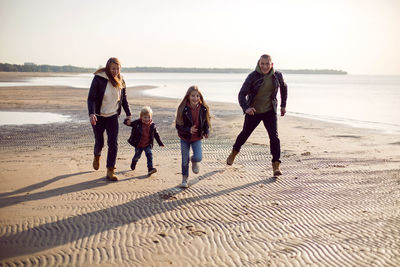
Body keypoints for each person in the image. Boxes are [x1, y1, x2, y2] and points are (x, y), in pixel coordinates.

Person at [226, 54, 287, 176]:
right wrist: (246, 108)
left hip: (269, 111)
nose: (264, 66)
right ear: (259, 63)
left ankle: (276, 166)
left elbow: (284, 88)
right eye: (262, 64)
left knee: (274, 137)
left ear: (272, 64)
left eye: (267, 64)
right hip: (254, 111)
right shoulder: (252, 76)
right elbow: (241, 94)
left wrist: (283, 106)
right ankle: (233, 153)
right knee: (245, 134)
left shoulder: (277, 76)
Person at [87, 57, 132, 181]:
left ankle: (110, 170)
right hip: (99, 116)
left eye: (117, 69)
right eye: (113, 68)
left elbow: (124, 100)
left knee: (113, 143)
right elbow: (91, 98)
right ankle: (97, 155)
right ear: (108, 68)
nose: (115, 71)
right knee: (99, 141)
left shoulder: (121, 79)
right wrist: (92, 114)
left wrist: (128, 114)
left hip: (112, 116)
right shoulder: (99, 78)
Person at [175, 85, 211, 188]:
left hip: (197, 138)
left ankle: (194, 160)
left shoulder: (203, 109)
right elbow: (178, 126)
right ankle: (184, 179)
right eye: (192, 96)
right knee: (184, 160)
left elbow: (206, 122)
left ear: (200, 97)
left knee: (199, 156)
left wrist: (206, 131)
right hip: (184, 138)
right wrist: (188, 130)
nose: (195, 98)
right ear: (188, 96)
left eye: (197, 96)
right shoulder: (182, 108)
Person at [124, 106, 164, 177]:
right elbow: (129, 124)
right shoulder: (137, 123)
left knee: (149, 155)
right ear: (141, 117)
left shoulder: (152, 125)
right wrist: (127, 121)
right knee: (137, 156)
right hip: (139, 144)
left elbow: (156, 134)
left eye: (149, 117)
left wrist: (160, 142)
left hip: (147, 144)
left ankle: (150, 169)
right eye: (145, 117)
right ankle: (134, 162)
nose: (147, 119)